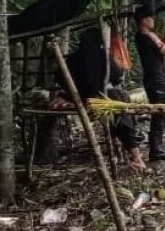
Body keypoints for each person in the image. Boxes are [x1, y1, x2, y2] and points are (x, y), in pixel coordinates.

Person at [61, 28, 145, 172]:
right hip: (103, 99)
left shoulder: (71, 59)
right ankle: (136, 157)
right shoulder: (101, 55)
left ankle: (121, 148)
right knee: (123, 112)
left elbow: (61, 79)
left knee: (120, 110)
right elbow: (117, 74)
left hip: (83, 98)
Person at [135, 8, 165, 161]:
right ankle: (156, 149)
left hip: (151, 78)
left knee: (158, 113)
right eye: (150, 17)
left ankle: (157, 146)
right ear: (143, 21)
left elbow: (159, 49)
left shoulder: (140, 36)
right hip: (157, 78)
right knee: (159, 113)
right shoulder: (148, 35)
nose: (153, 19)